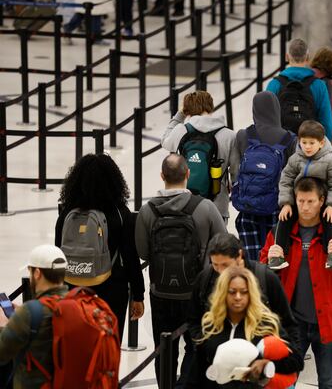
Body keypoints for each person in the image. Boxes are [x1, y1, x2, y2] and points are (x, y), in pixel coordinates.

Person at [261, 177, 332, 388]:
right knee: (284, 379)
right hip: (292, 322)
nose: (304, 207)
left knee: (328, 381)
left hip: (328, 321)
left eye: (310, 201)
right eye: (300, 201)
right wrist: (268, 260)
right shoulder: (280, 232)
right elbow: (261, 269)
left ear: (322, 201)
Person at [135, 154, 227, 386]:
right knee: (197, 349)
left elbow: (143, 253)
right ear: (188, 174)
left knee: (163, 350)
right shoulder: (205, 207)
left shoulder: (147, 211)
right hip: (197, 293)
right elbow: (223, 243)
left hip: (161, 293)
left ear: (162, 176)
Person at [55, 154, 145, 340]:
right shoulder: (120, 214)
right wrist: (138, 295)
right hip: (112, 290)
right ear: (114, 181)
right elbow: (130, 256)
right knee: (109, 346)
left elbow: (57, 252)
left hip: (73, 290)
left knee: (78, 344)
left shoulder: (66, 214)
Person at [186, 233, 301, 360]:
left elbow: (287, 322)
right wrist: (205, 345)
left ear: (239, 256)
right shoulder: (205, 278)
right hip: (217, 363)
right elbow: (194, 319)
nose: (220, 271)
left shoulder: (265, 278)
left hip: (258, 363)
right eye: (215, 265)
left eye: (225, 265)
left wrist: (292, 359)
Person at [185, 266, 303, 388]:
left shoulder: (266, 324)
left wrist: (268, 364)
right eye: (232, 292)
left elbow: (297, 361)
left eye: (244, 292)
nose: (238, 297)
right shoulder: (211, 325)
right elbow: (196, 374)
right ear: (223, 293)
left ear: (251, 293)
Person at [273, 120, 332, 271]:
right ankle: (277, 255)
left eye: (311, 143)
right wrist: (286, 203)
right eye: (303, 142)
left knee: (331, 220)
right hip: (300, 200)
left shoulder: (330, 159)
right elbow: (285, 179)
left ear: (321, 143)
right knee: (283, 218)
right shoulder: (295, 159)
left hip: (323, 200)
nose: (307, 147)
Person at [233, 92, 297, 261]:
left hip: (248, 209)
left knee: (252, 262)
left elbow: (235, 171)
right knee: (276, 260)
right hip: (277, 210)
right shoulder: (289, 139)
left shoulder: (243, 135)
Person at [161, 90, 239, 222]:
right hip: (217, 206)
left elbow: (165, 141)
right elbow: (236, 172)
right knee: (216, 242)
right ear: (211, 106)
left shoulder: (181, 130)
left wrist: (180, 115)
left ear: (187, 110)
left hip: (186, 204)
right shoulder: (230, 135)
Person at [0, 245, 68, 388]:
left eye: (30, 271)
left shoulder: (29, 314)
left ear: (37, 273)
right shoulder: (76, 304)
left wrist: (4, 326)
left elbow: (2, 352)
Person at [266, 38, 332, 140]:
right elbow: (326, 122)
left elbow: (267, 120)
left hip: (281, 147)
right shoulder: (319, 85)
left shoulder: (274, 84)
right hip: (310, 146)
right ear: (308, 57)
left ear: (287, 57)